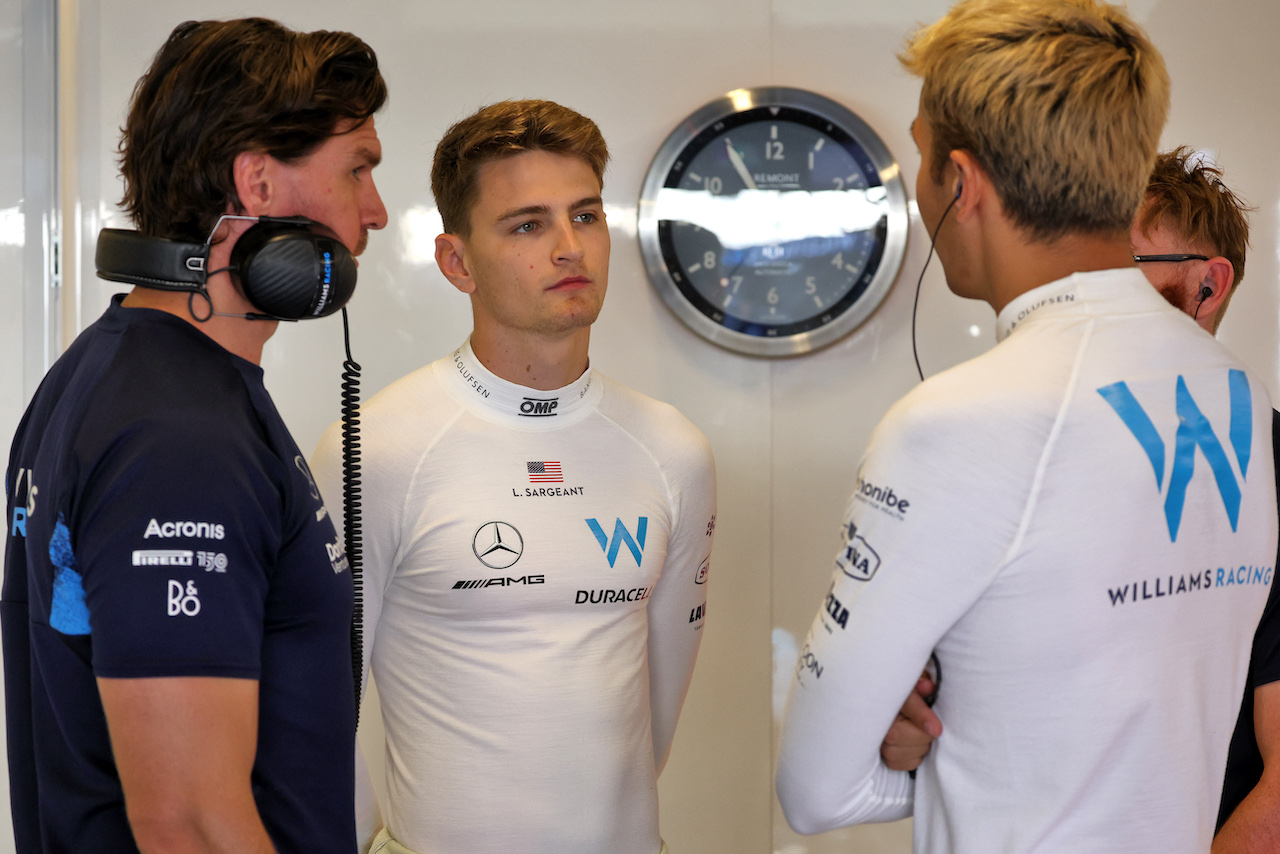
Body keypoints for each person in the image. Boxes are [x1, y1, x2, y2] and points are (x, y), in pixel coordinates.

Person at [775, 2, 1277, 851]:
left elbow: (815, 792)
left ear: (963, 184)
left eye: (924, 157)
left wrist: (950, 739)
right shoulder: (1234, 390)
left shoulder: (957, 420)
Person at [1, 18, 387, 852]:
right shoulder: (181, 441)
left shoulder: (113, 372)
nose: (377, 212)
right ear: (256, 183)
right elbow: (192, 824)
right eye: (358, 170)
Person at [309, 99, 716, 854]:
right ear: (457, 262)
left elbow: (655, 715)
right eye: (528, 225)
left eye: (586, 216)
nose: (570, 248)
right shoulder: (376, 446)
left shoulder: (672, 449)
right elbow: (323, 707)